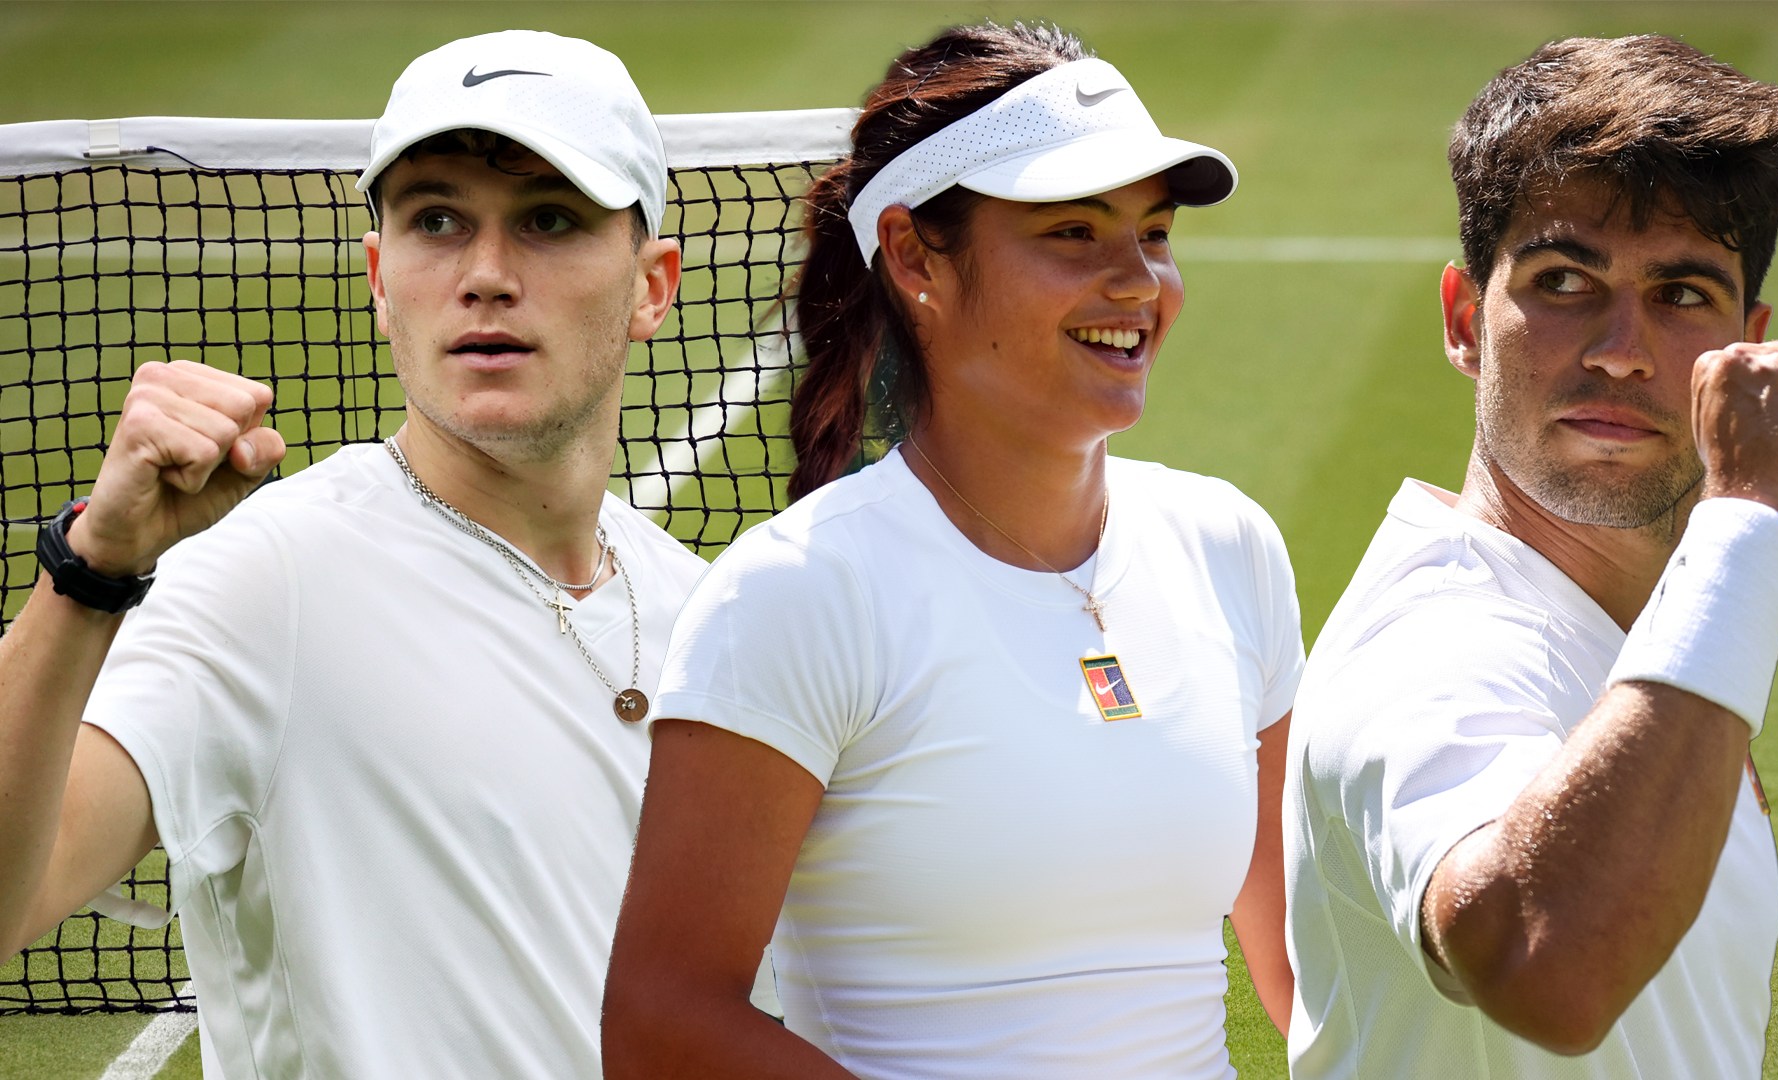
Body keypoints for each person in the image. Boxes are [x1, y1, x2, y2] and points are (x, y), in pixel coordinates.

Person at [0, 29, 769, 1077]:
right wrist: (88, 576)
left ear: (653, 286)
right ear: (378, 275)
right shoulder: (268, 581)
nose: (486, 275)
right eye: (437, 221)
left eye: (549, 219)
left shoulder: (708, 615)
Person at [601, 22, 1304, 1080]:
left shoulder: (1228, 546)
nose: (1138, 281)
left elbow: (1301, 957)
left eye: (1154, 233)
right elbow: (661, 1023)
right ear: (915, 257)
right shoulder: (795, 596)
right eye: (1074, 232)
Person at [1282, 35, 1778, 1078]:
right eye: (1564, 280)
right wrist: (1753, 524)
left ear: (1744, 343)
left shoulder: (1653, 644)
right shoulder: (1433, 649)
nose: (1621, 350)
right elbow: (1544, 966)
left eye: (1681, 294)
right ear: (1466, 320)